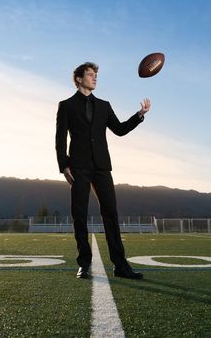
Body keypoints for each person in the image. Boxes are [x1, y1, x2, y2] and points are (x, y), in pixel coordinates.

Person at [55, 62, 151, 279]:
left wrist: (139, 115)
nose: (95, 77)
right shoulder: (66, 105)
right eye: (90, 74)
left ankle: (120, 266)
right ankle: (84, 264)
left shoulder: (104, 106)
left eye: (96, 74)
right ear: (79, 79)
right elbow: (60, 138)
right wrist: (64, 165)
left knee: (111, 213)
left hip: (101, 167)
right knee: (79, 214)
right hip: (78, 167)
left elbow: (119, 130)